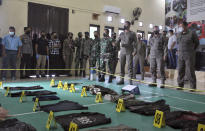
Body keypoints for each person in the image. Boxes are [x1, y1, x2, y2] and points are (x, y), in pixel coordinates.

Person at [177, 22, 199, 91]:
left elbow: (197, 43)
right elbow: (178, 43)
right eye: (180, 27)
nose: (181, 28)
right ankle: (180, 85)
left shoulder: (192, 33)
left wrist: (191, 51)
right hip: (180, 55)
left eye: (182, 26)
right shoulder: (179, 34)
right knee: (180, 70)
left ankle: (192, 87)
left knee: (190, 71)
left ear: (186, 26)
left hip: (189, 55)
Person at [116, 21, 138, 85]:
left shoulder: (132, 34)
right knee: (121, 66)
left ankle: (130, 81)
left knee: (129, 66)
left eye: (126, 25)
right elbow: (117, 41)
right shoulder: (121, 33)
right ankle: (121, 79)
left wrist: (135, 51)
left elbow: (136, 43)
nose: (125, 26)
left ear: (129, 26)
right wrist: (116, 46)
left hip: (129, 52)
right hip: (122, 52)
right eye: (124, 25)